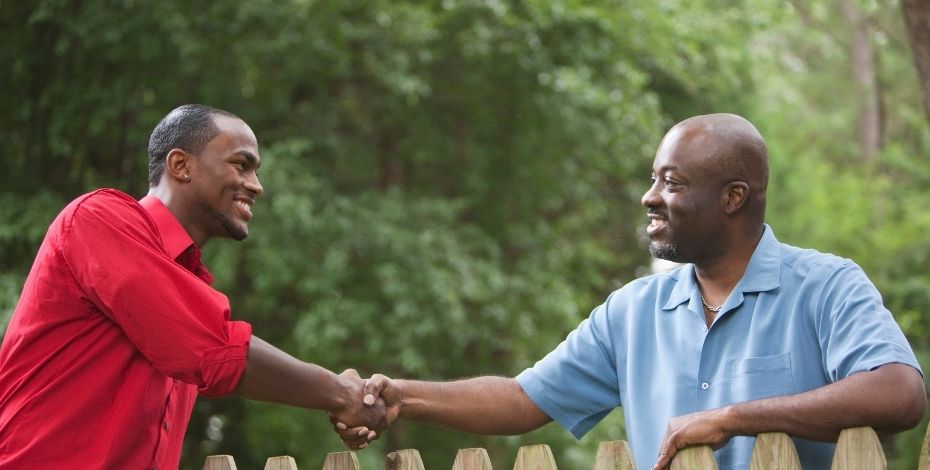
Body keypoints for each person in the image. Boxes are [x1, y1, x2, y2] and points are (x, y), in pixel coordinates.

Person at [334, 113, 926, 470]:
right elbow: (522, 400)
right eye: (653, 179)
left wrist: (734, 418)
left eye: (671, 182)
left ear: (734, 197)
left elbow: (899, 394)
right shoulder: (633, 311)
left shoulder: (826, 285)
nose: (649, 197)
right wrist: (404, 397)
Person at [0, 104, 386, 469]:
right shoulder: (97, 220)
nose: (256, 186)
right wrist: (342, 394)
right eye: (241, 164)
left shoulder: (190, 284)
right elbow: (215, 350)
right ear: (180, 165)